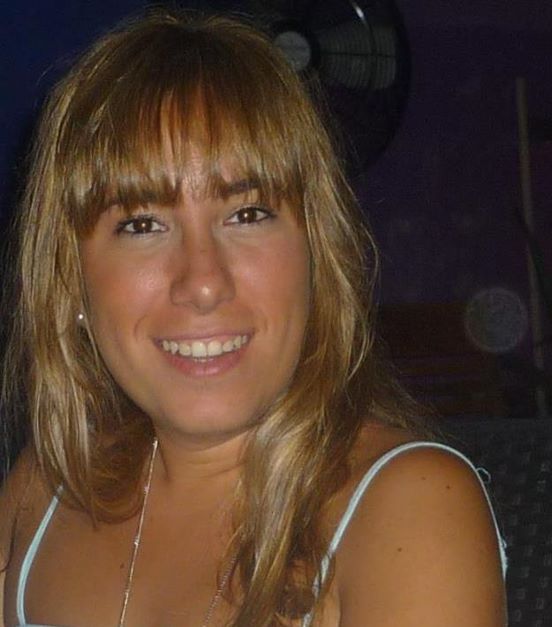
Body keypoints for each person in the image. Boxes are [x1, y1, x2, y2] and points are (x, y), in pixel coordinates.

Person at [0, 9, 506, 627]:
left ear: (316, 253)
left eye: (247, 214)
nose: (203, 282)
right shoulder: (44, 489)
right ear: (70, 279)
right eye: (142, 224)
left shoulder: (409, 506)